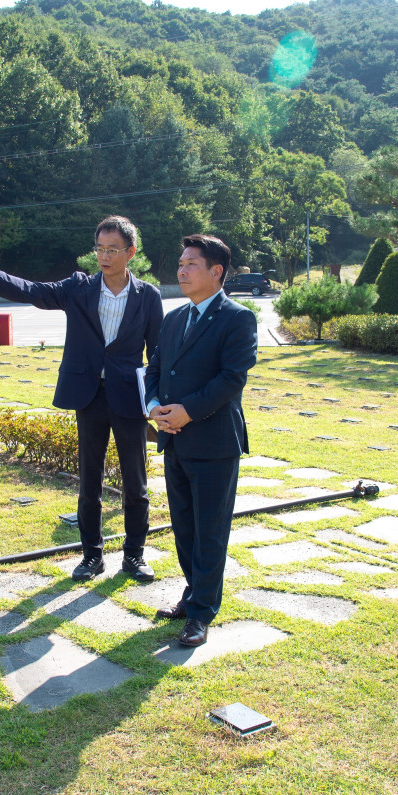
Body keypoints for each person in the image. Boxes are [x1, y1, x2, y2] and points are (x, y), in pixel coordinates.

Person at [0, 216, 163, 582]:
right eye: (100, 249)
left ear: (131, 253)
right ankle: (92, 555)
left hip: (128, 399)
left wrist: (157, 402)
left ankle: (135, 556)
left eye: (113, 250)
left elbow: (157, 355)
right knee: (89, 480)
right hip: (88, 396)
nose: (104, 256)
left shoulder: (149, 296)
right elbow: (36, 291)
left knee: (135, 482)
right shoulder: (79, 287)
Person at [145, 234, 258, 647]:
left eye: (192, 264)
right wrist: (155, 405)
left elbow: (231, 378)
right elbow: (154, 368)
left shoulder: (237, 318)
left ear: (216, 272)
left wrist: (187, 410)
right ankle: (194, 594)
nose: (182, 270)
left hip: (213, 442)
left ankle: (202, 612)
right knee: (184, 528)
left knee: (210, 530)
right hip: (174, 440)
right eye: (180, 263)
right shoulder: (174, 318)